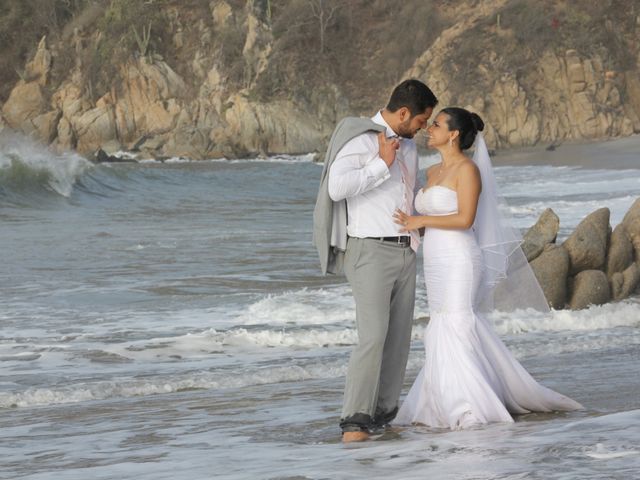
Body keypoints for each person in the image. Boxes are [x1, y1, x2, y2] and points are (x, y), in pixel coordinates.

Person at [391, 107, 582, 429]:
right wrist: (415, 226)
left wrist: (419, 220)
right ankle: (442, 398)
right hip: (435, 259)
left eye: (436, 125)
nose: (430, 129)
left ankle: (467, 405)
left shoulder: (468, 170)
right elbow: (433, 221)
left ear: (453, 134)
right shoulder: (433, 173)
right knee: (442, 324)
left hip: (460, 257)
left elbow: (465, 219)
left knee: (458, 321)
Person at [312, 79, 438, 442]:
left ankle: (382, 415)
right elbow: (337, 188)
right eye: (420, 121)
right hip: (369, 250)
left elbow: (407, 194)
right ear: (403, 113)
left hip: (406, 249)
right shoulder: (360, 138)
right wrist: (381, 164)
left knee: (398, 340)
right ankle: (354, 420)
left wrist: (423, 222)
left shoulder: (410, 147)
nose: (423, 128)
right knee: (372, 337)